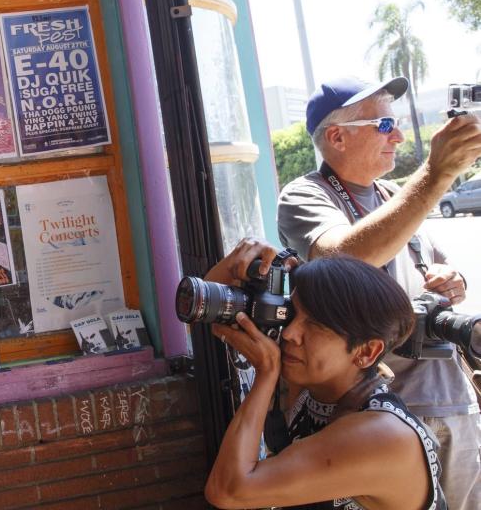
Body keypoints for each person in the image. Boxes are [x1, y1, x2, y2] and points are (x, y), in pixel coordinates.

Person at [277, 76, 481, 510]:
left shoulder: (394, 194)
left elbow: (425, 265)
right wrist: (435, 173)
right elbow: (341, 259)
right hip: (389, 412)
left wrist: (451, 279)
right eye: (385, 123)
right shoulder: (305, 194)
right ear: (336, 136)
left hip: (452, 397)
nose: (400, 136)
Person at [204, 239, 444, 510]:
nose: (291, 333)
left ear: (366, 352)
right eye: (292, 314)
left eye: (316, 324)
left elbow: (228, 490)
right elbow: (213, 316)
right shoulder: (313, 381)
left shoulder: (381, 436)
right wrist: (242, 260)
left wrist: (266, 374)